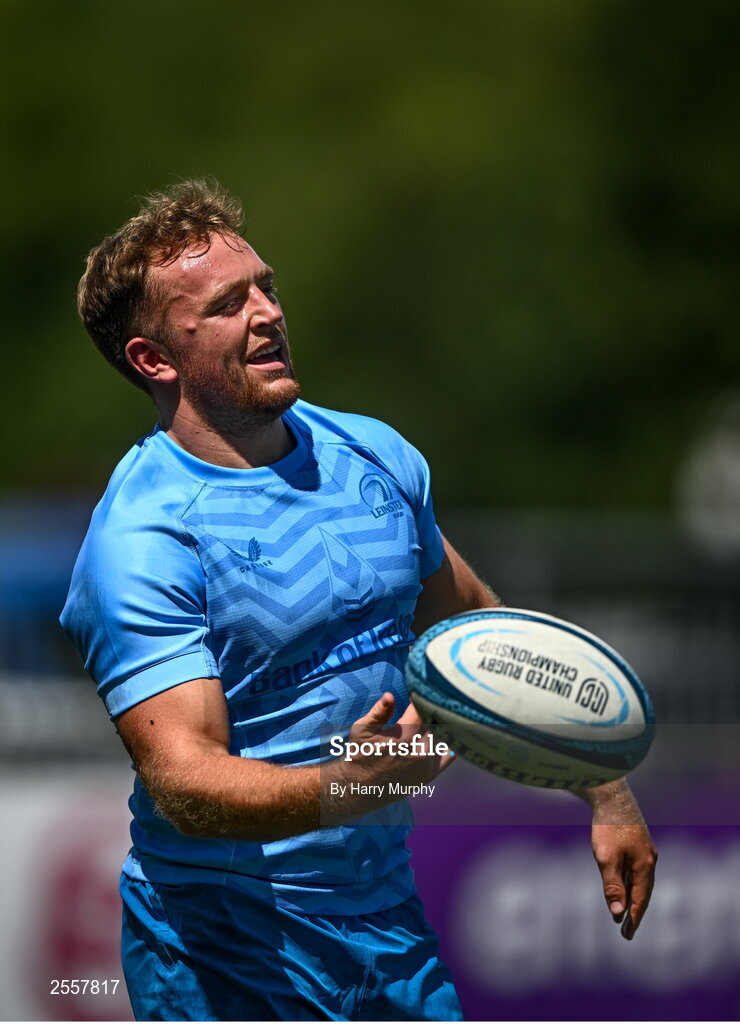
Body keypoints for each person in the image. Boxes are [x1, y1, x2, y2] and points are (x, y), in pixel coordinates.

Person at [61, 179, 657, 1022]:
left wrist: (604, 788)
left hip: (382, 920)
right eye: (227, 303)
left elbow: (471, 626)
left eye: (265, 285)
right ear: (153, 359)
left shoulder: (370, 453)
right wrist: (341, 786)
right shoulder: (143, 539)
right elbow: (183, 782)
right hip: (223, 937)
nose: (267, 312)